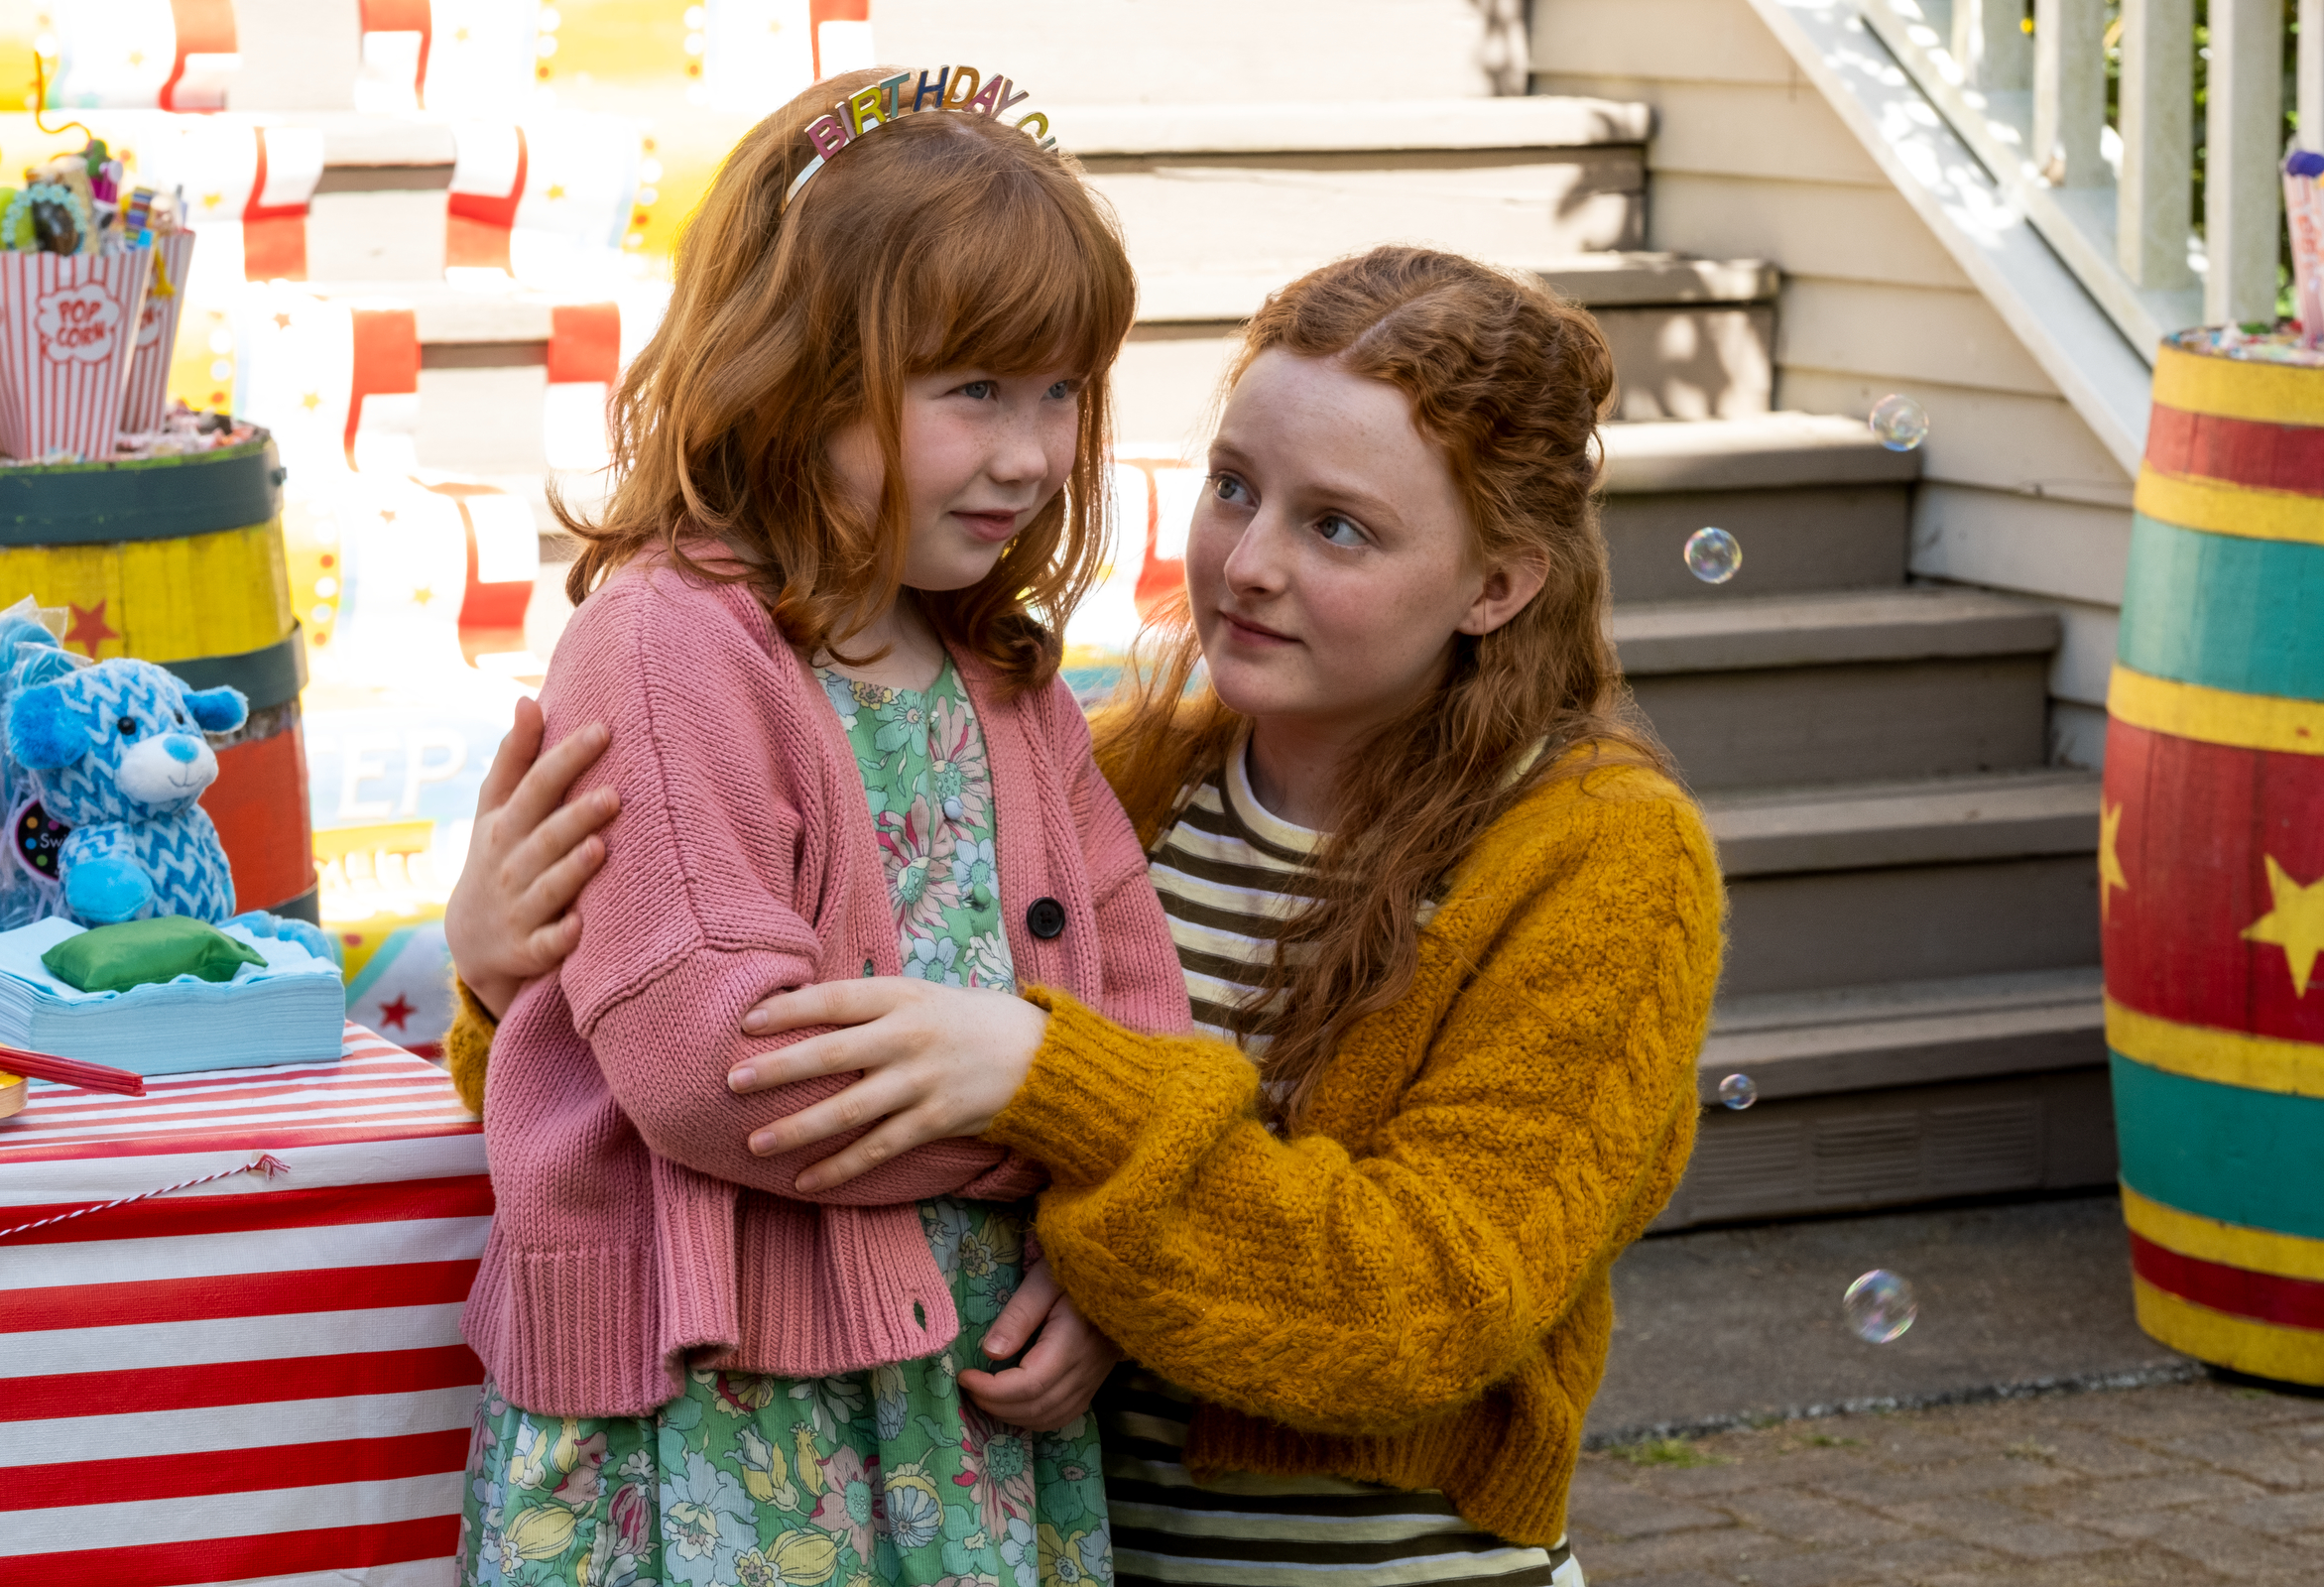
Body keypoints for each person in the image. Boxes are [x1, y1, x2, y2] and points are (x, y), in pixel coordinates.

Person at [450, 247, 1726, 1587]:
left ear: (1498, 585)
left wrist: (1055, 1096)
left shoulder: (1601, 858)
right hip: (1042, 1545)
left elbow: (1431, 1298)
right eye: (1234, 488)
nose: (1249, 563)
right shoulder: (1108, 781)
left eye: (1338, 527)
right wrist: (507, 982)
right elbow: (709, 1103)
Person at [443, 67, 1193, 1587]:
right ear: (795, 371)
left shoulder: (1007, 680)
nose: (1031, 453)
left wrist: (1101, 1238)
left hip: (965, 1393)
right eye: (973, 389)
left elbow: (1141, 1018)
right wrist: (1042, 1113)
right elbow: (723, 1072)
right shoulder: (668, 647)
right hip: (726, 1417)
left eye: (1060, 392)